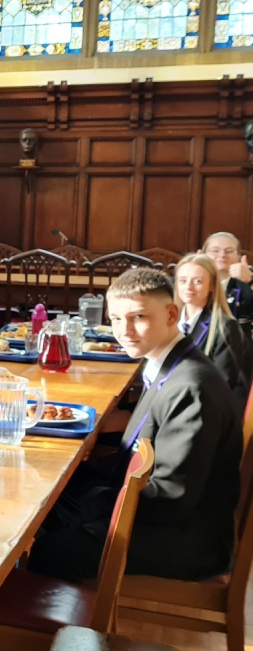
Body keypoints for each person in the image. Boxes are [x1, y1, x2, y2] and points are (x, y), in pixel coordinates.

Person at [28, 268, 242, 583]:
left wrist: (94, 500)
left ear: (171, 314)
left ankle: (61, 628)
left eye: (138, 317)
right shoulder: (167, 365)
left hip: (185, 537)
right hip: (152, 508)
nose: (124, 330)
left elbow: (171, 497)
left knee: (48, 549)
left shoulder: (191, 386)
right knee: (49, 497)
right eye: (115, 319)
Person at [174, 253, 248, 407]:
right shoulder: (168, 321)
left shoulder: (225, 328)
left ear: (212, 286)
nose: (188, 287)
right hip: (167, 401)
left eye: (198, 281)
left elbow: (223, 386)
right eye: (182, 281)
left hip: (203, 407)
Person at [203, 231, 253, 321]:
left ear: (239, 256)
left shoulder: (246, 281)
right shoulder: (191, 280)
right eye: (215, 251)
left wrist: (250, 280)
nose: (222, 255)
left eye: (229, 251)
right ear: (203, 255)